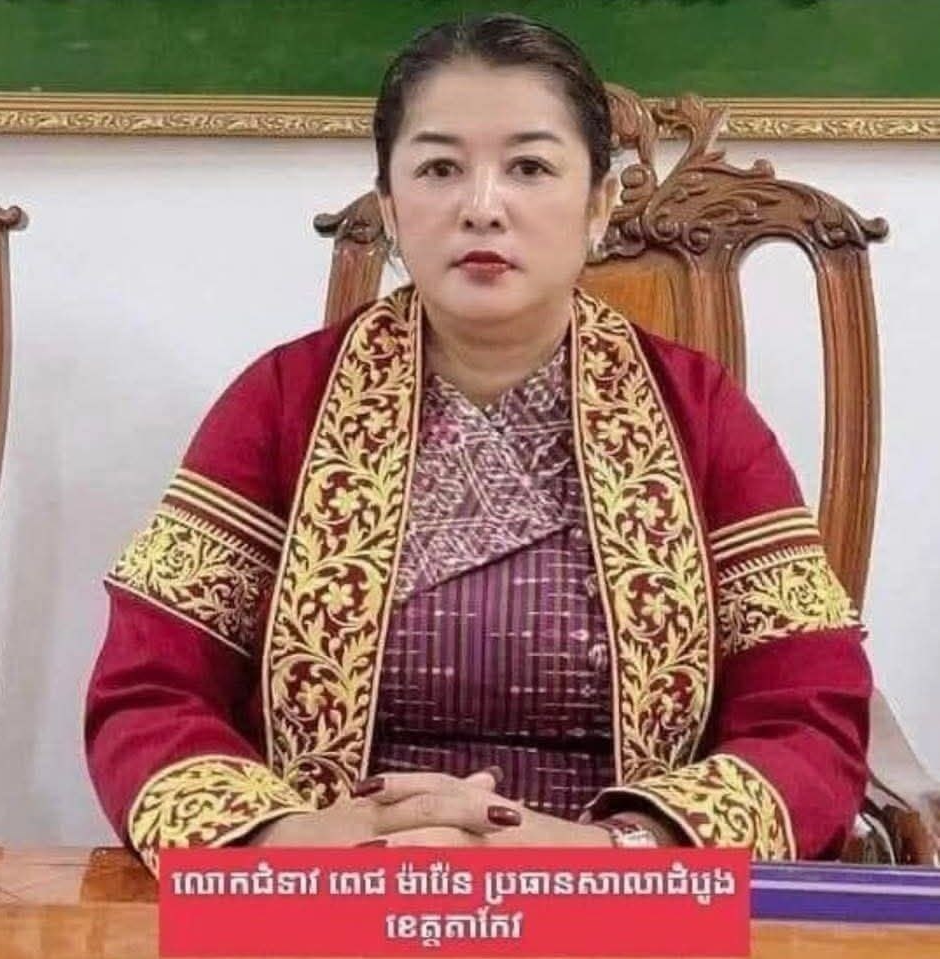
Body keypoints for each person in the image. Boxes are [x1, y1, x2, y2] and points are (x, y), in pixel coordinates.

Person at [85, 14, 871, 877]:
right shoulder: (283, 403)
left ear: (599, 204)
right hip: (333, 890)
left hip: (613, 897)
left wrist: (611, 851)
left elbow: (809, 717)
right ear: (390, 207)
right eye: (439, 169)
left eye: (530, 167)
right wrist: (287, 840)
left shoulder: (700, 413)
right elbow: (150, 692)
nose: (482, 206)